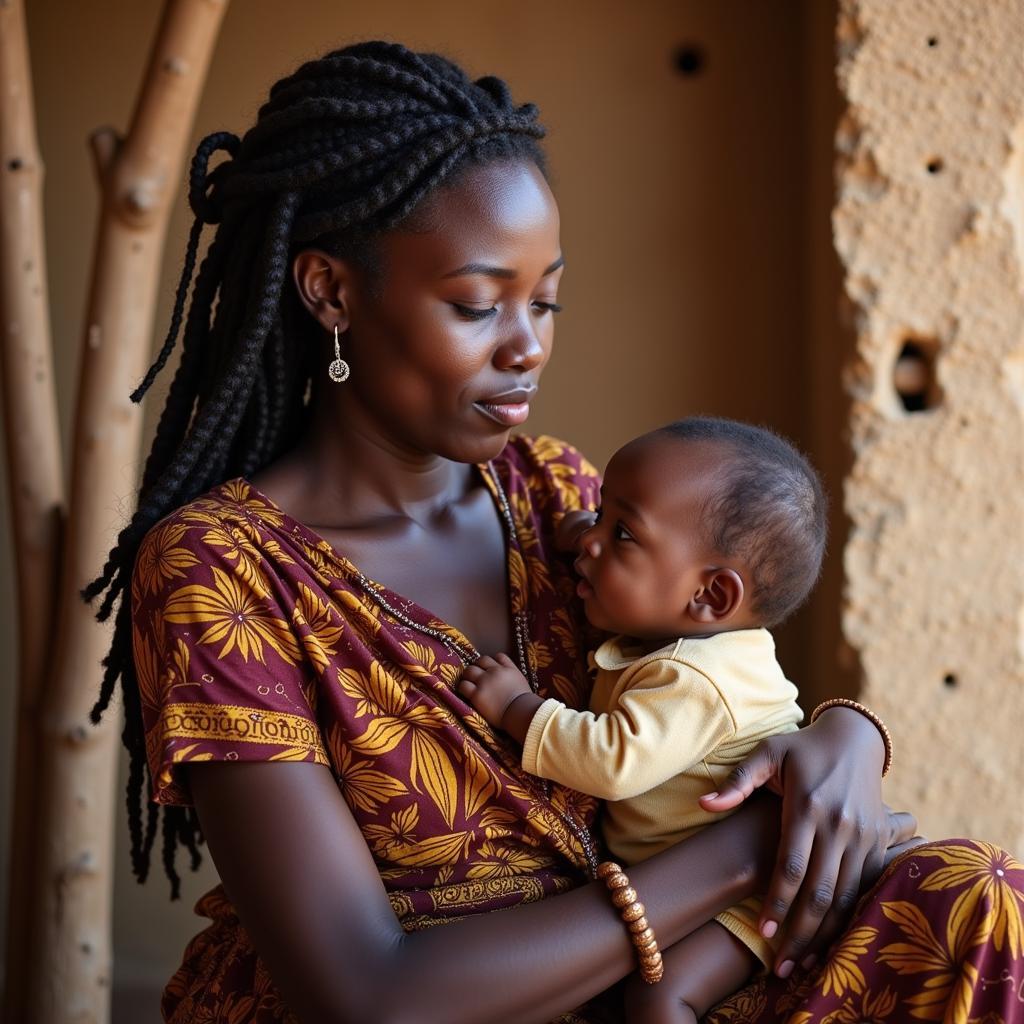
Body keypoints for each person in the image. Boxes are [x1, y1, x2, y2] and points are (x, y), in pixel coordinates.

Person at [83, 42, 1023, 1024]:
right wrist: (744, 847)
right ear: (330, 292)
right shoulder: (220, 569)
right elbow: (364, 997)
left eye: (546, 300)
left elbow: (715, 682)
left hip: (656, 979)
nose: (527, 345)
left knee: (979, 902)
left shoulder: (553, 492)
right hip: (439, 1005)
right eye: (479, 305)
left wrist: (841, 739)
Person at [459, 417, 827, 1022]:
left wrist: (518, 709)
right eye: (600, 511)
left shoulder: (694, 679)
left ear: (710, 597)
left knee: (661, 996)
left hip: (754, 899)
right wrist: (595, 533)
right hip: (695, 883)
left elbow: (613, 762)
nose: (590, 541)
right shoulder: (680, 630)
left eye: (622, 532)